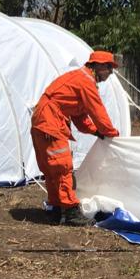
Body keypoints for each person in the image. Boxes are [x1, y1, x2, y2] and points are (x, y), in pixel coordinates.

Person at [30, 51, 121, 226]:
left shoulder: (80, 79)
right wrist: (110, 132)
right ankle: (71, 213)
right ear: (98, 66)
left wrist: (97, 132)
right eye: (109, 67)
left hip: (43, 121)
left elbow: (80, 117)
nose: (111, 72)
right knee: (62, 167)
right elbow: (98, 112)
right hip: (50, 122)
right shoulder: (86, 82)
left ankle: (57, 209)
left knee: (52, 169)